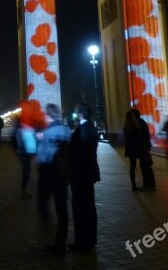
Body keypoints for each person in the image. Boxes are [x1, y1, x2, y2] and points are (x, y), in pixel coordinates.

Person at [36, 103, 72, 255]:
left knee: (42, 202)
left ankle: (49, 231)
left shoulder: (45, 132)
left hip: (48, 171)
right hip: (63, 172)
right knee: (62, 208)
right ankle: (60, 240)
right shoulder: (66, 130)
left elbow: (41, 154)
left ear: (48, 115)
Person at [69, 103, 100, 253]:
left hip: (80, 172)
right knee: (89, 205)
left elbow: (78, 151)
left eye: (75, 112)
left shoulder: (83, 129)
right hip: (89, 171)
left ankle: (82, 242)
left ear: (80, 114)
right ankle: (90, 240)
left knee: (80, 207)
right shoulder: (91, 127)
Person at [123, 108, 156, 191]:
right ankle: (149, 184)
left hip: (132, 149)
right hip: (141, 148)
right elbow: (146, 136)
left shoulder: (127, 125)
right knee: (145, 166)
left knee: (132, 166)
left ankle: (134, 185)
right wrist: (147, 147)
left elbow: (126, 138)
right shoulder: (141, 123)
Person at [16, 112, 38, 197]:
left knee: (27, 169)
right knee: (26, 170)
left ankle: (24, 188)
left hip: (25, 152)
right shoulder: (22, 129)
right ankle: (23, 189)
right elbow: (22, 141)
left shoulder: (23, 128)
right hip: (24, 152)